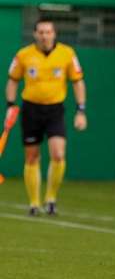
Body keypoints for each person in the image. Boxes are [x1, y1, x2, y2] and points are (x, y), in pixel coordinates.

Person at [4, 18, 87, 216]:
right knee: (32, 157)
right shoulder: (24, 55)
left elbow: (78, 81)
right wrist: (10, 105)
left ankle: (50, 199)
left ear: (54, 33)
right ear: (34, 34)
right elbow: (13, 80)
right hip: (31, 109)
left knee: (58, 153)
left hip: (55, 110)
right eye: (40, 32)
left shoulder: (67, 54)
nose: (44, 36)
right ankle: (34, 203)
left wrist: (81, 110)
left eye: (48, 32)